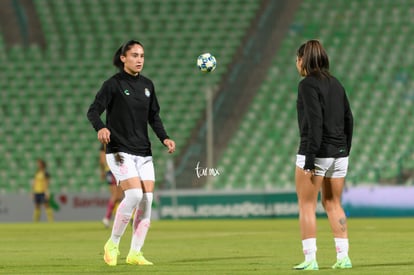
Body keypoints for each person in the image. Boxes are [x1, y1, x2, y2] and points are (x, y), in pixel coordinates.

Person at [87, 40, 175, 267]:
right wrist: (101, 128)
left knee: (147, 200)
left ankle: (135, 252)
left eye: (142, 56)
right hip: (118, 150)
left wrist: (164, 137)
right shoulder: (113, 84)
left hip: (143, 152)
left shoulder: (148, 85)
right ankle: (113, 243)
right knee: (134, 195)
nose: (139, 60)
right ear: (123, 58)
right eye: (134, 55)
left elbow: (153, 117)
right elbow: (93, 111)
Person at [293, 40, 354, 270]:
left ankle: (310, 260)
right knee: (333, 203)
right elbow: (349, 118)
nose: (296, 64)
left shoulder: (307, 85)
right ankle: (343, 257)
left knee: (307, 205)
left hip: (317, 153)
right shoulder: (336, 83)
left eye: (297, 60)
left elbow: (314, 121)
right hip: (339, 154)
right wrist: (344, 149)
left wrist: (310, 157)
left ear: (303, 60)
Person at [100, 144, 123, 228]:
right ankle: (108, 218)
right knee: (117, 195)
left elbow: (101, 158)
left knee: (117, 196)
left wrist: (103, 171)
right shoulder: (116, 140)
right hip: (115, 169)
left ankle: (113, 218)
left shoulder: (105, 143)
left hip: (109, 171)